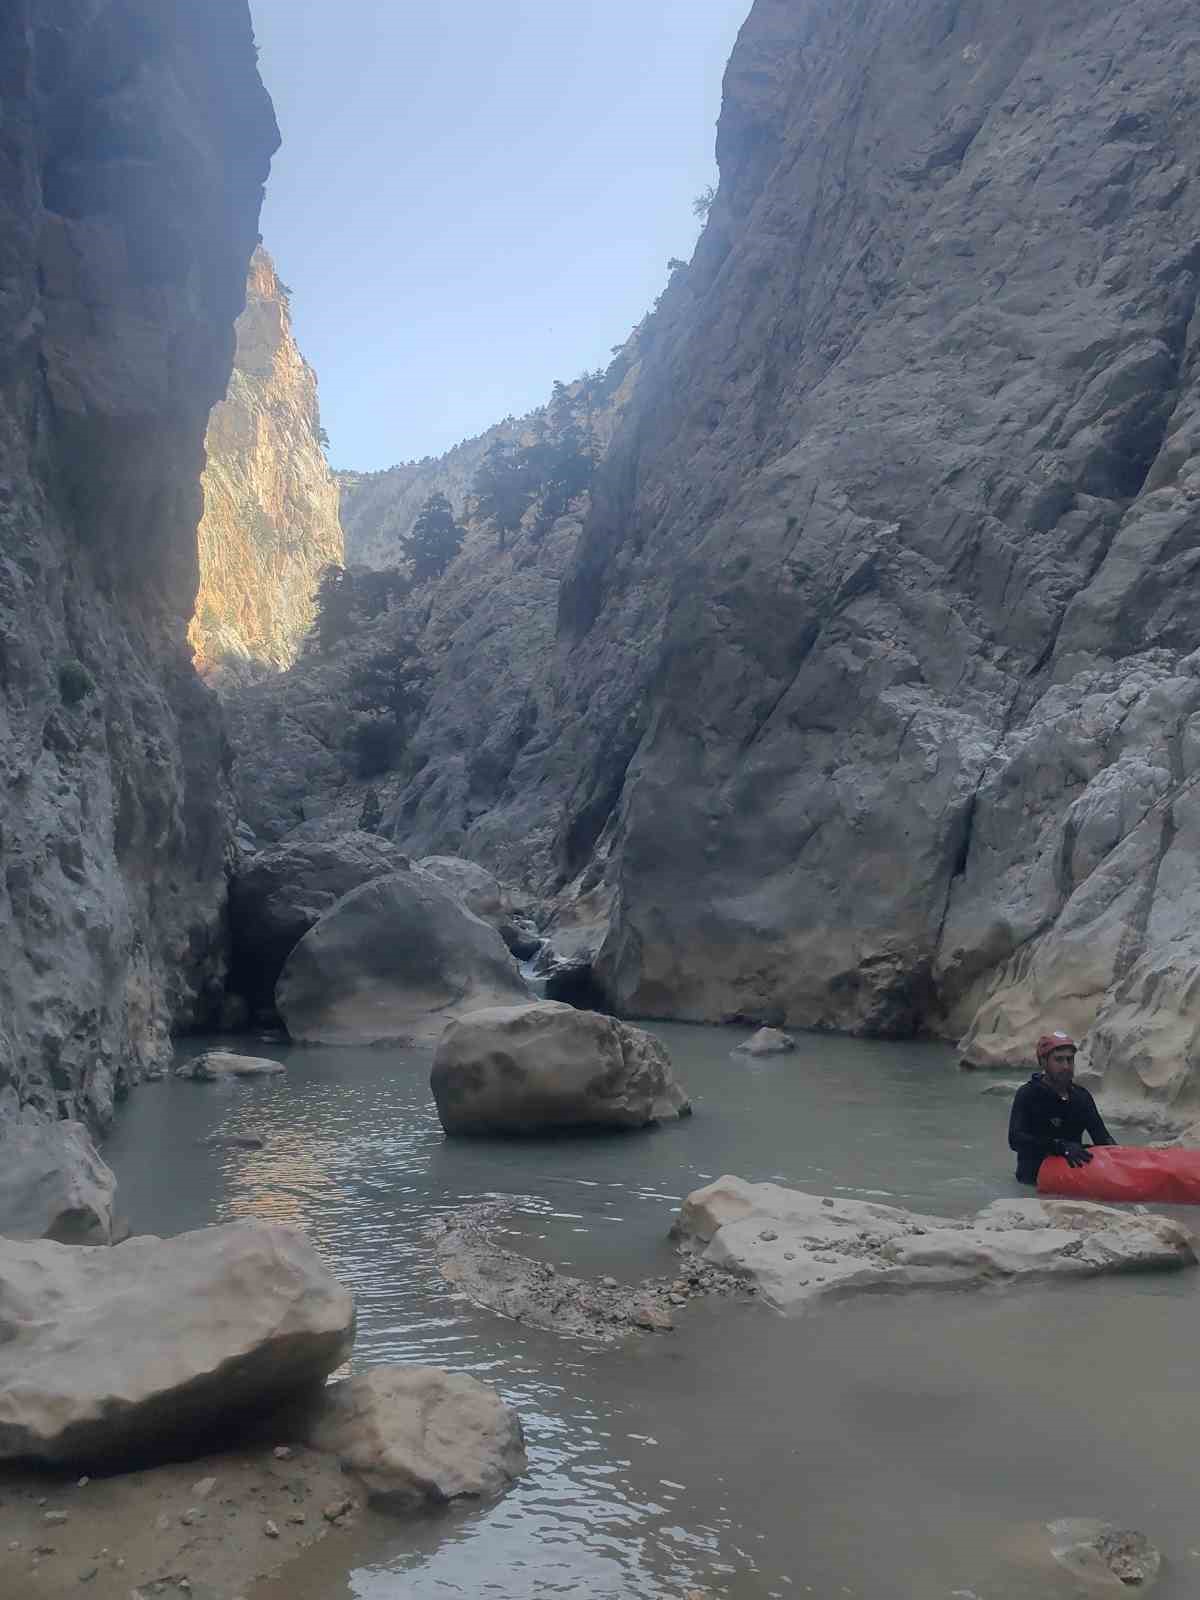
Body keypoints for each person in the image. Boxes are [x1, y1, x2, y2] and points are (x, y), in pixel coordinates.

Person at [1008, 1031, 1117, 1185]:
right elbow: (1015, 1140)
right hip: (1033, 1182)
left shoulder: (1081, 1096)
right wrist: (1059, 1146)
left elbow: (1102, 1139)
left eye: (1070, 1059)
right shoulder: (1028, 1094)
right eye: (1059, 1060)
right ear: (1043, 1062)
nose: (1066, 1066)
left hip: (1071, 1177)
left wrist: (1124, 1157)